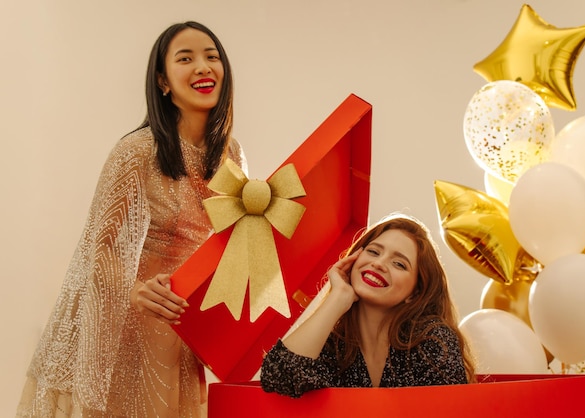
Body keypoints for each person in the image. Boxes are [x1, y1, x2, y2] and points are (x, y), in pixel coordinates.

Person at [16, 21, 246, 417]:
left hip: (181, 326)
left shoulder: (232, 155)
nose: (203, 67)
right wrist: (135, 289)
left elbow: (234, 245)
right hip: (122, 325)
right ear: (163, 81)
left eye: (212, 56)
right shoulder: (137, 150)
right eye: (185, 58)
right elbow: (99, 251)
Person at [260, 213, 476, 398]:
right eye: (373, 251)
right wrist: (338, 298)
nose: (379, 263)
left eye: (399, 263)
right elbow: (278, 378)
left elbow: (448, 409)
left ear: (416, 292)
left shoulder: (433, 340)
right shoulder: (333, 345)